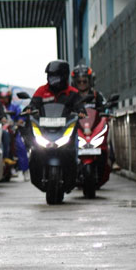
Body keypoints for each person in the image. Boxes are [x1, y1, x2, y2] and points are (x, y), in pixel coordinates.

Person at [26, 60, 83, 188]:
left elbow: (79, 106)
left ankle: (73, 176)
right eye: (50, 76)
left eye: (55, 76)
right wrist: (30, 109)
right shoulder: (41, 91)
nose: (52, 79)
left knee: (73, 150)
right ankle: (35, 173)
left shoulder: (73, 92)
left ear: (64, 76)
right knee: (35, 150)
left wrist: (81, 111)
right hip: (45, 130)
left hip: (64, 130)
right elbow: (33, 104)